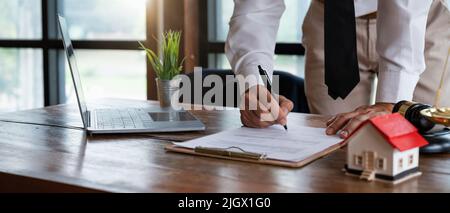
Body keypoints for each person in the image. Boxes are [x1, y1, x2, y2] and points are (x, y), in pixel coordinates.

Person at [225, 0, 450, 138]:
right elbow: (256, 8)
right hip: (331, 21)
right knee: (330, 141)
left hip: (420, 23)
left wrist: (393, 100)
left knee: (422, 137)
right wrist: (256, 83)